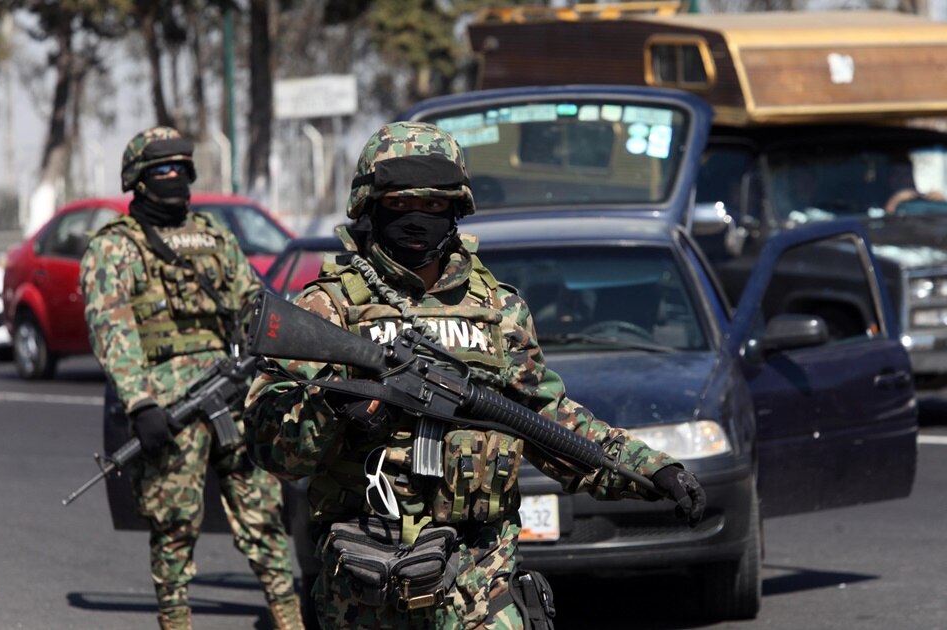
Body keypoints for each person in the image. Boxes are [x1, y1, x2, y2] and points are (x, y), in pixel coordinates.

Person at [243, 121, 706, 628]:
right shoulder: (326, 309)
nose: (416, 218)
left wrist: (650, 470)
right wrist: (332, 409)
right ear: (369, 207)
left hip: (481, 580)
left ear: (456, 208)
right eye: (399, 204)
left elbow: (544, 419)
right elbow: (270, 448)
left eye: (433, 205)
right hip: (367, 582)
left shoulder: (499, 309)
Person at [80, 126, 303, 630]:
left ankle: (290, 620)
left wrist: (274, 356)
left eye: (182, 168)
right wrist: (140, 402)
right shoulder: (114, 247)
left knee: (264, 517)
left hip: (232, 391)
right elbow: (112, 329)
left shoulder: (213, 235)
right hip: (169, 404)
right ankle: (176, 621)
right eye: (163, 169)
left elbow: (253, 302)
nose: (175, 177)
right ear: (138, 179)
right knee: (174, 524)